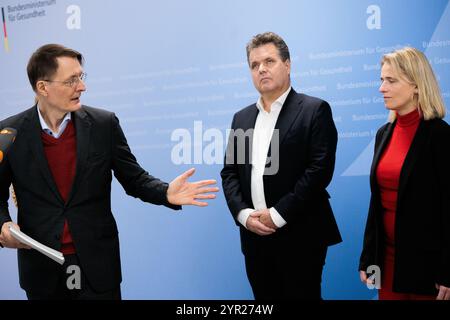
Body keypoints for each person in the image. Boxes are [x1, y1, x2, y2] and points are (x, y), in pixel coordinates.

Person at [0, 44, 218, 300]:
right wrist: (3, 225)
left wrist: (166, 192)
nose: (82, 87)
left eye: (81, 77)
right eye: (71, 80)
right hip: (42, 270)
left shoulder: (104, 125)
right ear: (43, 87)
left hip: (97, 267)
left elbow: (134, 179)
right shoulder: (10, 133)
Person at [221, 32, 342, 300]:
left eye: (269, 61)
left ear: (287, 65)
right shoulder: (242, 118)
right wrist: (244, 215)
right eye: (254, 65)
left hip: (300, 235)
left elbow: (319, 170)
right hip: (254, 238)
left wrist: (277, 214)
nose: (261, 69)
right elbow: (230, 172)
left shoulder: (314, 109)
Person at [359, 47, 450, 300]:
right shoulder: (383, 134)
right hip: (386, 263)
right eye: (381, 80)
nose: (382, 88)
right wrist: (368, 259)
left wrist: (448, 271)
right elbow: (375, 204)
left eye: (391, 80)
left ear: (416, 86)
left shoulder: (440, 135)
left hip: (426, 266)